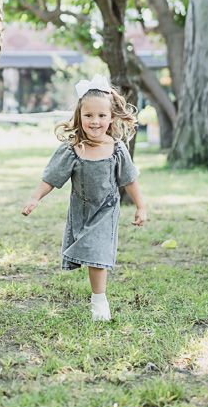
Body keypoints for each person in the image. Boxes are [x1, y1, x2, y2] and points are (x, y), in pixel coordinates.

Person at [21, 74, 147, 321]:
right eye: (88, 115)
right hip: (81, 210)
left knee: (98, 255)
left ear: (111, 118)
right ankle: (96, 296)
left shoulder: (117, 148)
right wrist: (35, 198)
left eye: (101, 115)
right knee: (89, 252)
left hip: (107, 210)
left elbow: (130, 180)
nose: (95, 121)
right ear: (79, 116)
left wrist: (140, 207)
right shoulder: (74, 148)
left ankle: (99, 302)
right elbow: (51, 178)